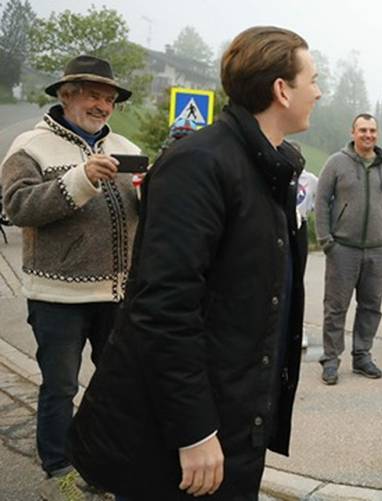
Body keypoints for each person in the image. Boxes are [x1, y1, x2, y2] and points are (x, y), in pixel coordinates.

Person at [66, 26, 321, 499]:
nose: (320, 91)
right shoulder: (199, 163)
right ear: (281, 89)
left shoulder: (275, 167)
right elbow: (164, 308)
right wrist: (195, 430)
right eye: (313, 79)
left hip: (240, 416)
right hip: (180, 434)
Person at [0, 54, 140, 495]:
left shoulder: (128, 149)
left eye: (109, 98)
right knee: (60, 386)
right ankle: (59, 468)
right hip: (57, 295)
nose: (102, 105)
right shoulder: (30, 145)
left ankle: (105, 460)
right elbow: (17, 207)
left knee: (117, 384)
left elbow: (144, 216)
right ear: (66, 95)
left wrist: (152, 194)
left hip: (117, 293)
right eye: (93, 95)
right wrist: (80, 179)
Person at [315, 114, 382, 385]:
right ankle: (331, 359)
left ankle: (362, 355)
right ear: (352, 132)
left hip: (378, 250)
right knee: (336, 307)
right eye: (363, 130)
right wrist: (326, 239)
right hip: (343, 248)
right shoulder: (336, 162)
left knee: (371, 306)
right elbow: (321, 200)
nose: (368, 135)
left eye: (373, 130)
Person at [296, 167, 318, 349]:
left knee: (297, 280)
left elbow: (320, 203)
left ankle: (298, 327)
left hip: (299, 225)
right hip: (274, 224)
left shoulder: (310, 179)